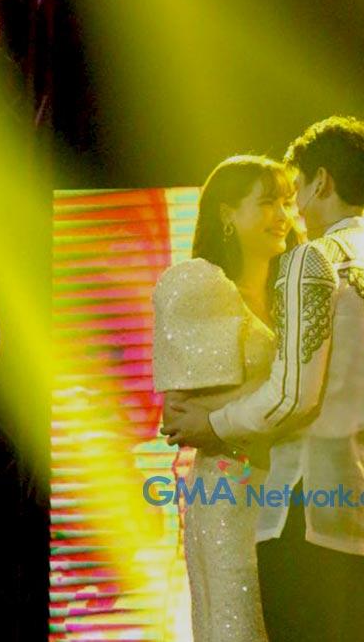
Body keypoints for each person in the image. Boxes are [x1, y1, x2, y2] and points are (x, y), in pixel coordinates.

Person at [163, 117, 364, 642]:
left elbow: (293, 397)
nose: (293, 211)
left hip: (308, 511)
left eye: (295, 191)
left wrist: (213, 423)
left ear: (322, 182)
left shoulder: (312, 260)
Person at [151, 154, 299, 642]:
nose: (282, 215)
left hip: (295, 493)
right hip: (230, 491)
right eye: (268, 202)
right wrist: (244, 429)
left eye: (287, 202)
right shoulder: (201, 287)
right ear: (227, 214)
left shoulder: (295, 297)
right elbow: (179, 414)